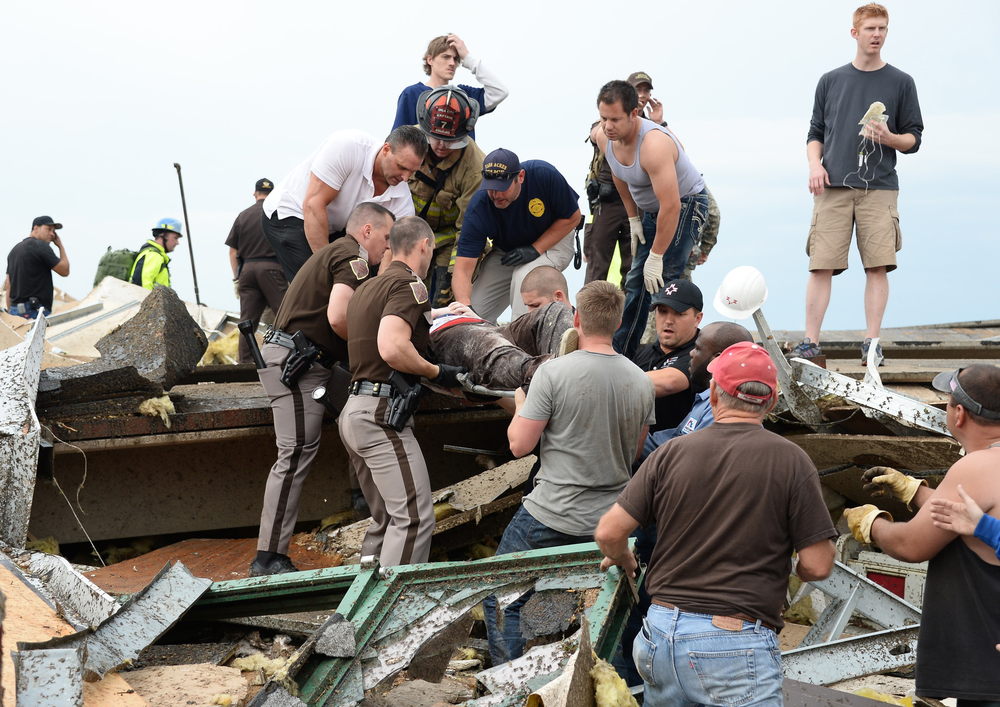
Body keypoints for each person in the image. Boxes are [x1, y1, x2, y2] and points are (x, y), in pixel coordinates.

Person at [596, 341, 837, 706]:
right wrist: (797, 568)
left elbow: (609, 532)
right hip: (734, 645)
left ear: (712, 394)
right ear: (771, 403)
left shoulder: (670, 453)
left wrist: (625, 559)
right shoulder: (792, 461)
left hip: (660, 637)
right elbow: (818, 566)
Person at [483, 280, 656, 666]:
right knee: (614, 608)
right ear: (620, 320)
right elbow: (634, 452)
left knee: (502, 595)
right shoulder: (642, 382)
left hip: (551, 513)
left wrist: (521, 402)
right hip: (611, 521)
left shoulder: (553, 374)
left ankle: (507, 684)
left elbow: (519, 446)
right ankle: (619, 684)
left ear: (576, 319)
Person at [250, 202, 396, 577]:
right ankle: (268, 557)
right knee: (296, 452)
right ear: (366, 231)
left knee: (361, 414)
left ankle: (370, 510)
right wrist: (376, 348)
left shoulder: (335, 252)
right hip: (298, 365)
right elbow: (338, 316)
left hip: (306, 360)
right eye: (385, 236)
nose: (387, 245)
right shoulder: (354, 257)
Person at [845, 364, 1000, 700]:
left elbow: (911, 545)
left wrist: (872, 524)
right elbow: (971, 521)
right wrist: (914, 491)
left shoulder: (975, 466)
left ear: (959, 414)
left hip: (988, 668)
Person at [790, 3, 923, 367]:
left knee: (877, 266)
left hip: (879, 187)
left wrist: (889, 137)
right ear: (855, 33)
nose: (877, 35)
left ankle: (872, 343)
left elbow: (914, 138)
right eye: (870, 29)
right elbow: (814, 133)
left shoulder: (901, 81)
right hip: (831, 186)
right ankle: (809, 343)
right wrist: (815, 164)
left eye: (882, 28)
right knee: (820, 265)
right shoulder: (830, 80)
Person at [338, 216, 468, 567]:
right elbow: (393, 347)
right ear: (425, 245)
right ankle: (390, 619)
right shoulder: (412, 285)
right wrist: (438, 372)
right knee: (413, 520)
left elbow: (380, 323)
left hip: (353, 411)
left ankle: (357, 613)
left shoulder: (368, 287)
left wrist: (437, 312)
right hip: (382, 415)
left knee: (385, 520)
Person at [594, 80, 709, 359]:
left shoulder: (654, 144)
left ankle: (672, 356)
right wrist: (633, 218)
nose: (608, 126)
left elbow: (671, 206)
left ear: (634, 114)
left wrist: (656, 256)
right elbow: (621, 177)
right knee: (636, 280)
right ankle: (621, 353)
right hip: (652, 211)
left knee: (664, 278)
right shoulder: (602, 137)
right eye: (603, 118)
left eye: (615, 119)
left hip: (685, 204)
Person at [262, 127, 425, 283]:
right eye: (401, 167)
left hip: (337, 229)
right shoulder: (348, 146)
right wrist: (330, 271)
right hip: (291, 214)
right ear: (386, 149)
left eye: (412, 172)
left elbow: (393, 252)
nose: (405, 178)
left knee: (355, 286)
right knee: (318, 287)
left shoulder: (403, 200)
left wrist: (376, 292)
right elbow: (312, 205)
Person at [453, 148, 582, 323]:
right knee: (476, 312)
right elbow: (463, 269)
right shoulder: (479, 207)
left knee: (523, 276)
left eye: (502, 188)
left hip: (554, 240)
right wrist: (464, 307)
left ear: (520, 177)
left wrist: (535, 249)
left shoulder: (544, 175)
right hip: (509, 251)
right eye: (491, 188)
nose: (496, 195)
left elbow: (572, 217)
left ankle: (521, 342)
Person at [408, 85, 486, 306]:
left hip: (450, 240)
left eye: (450, 140)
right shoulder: (407, 144)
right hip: (409, 234)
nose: (441, 146)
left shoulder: (474, 168)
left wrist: (455, 274)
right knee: (404, 293)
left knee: (443, 297)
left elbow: (468, 232)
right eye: (434, 138)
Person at [641, 321, 753, 460]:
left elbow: (689, 459)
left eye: (698, 348)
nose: (691, 353)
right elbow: (665, 443)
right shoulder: (705, 401)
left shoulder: (720, 411)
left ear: (718, 359)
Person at [392, 34, 508, 143]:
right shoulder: (413, 93)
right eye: (446, 57)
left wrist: (468, 58)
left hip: (460, 163)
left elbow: (499, 92)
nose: (452, 63)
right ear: (430, 60)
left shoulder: (464, 95)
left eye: (456, 59)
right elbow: (398, 140)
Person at [227, 178, 289, 364]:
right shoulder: (277, 214)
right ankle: (287, 359)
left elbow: (233, 252)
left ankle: (245, 363)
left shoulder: (243, 215)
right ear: (273, 194)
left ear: (255, 194)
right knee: (286, 315)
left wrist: (237, 277)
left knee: (247, 322)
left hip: (247, 270)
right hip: (272, 269)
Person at [634, 279, 703, 434]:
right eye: (663, 311)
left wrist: (608, 380)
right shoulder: (646, 352)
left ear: (697, 319)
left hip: (677, 451)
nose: (668, 321)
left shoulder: (702, 352)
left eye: (679, 314)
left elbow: (669, 383)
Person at [5, 216, 70, 319]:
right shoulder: (41, 246)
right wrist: (60, 246)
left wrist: (10, 314)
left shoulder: (14, 251)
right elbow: (65, 270)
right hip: (35, 310)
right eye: (48, 229)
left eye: (54, 231)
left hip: (15, 310)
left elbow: (8, 285)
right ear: (36, 228)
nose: (52, 234)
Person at [129, 217, 183, 290]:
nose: (177, 242)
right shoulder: (153, 255)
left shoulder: (156, 255)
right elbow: (142, 285)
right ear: (163, 235)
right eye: (175, 238)